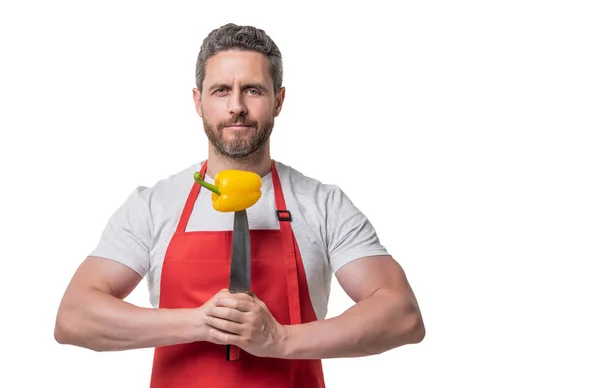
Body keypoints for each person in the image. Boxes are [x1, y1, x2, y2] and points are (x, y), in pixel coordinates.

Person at [54, 23, 425, 387]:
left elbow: (402, 316)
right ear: (198, 102)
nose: (236, 107)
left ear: (278, 101)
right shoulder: (154, 205)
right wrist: (200, 322)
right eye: (220, 90)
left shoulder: (322, 204)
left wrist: (279, 340)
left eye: (252, 90)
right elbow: (74, 317)